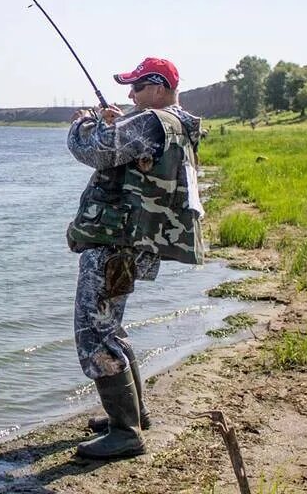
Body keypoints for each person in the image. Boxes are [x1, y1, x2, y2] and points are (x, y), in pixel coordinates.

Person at [65, 57, 205, 460]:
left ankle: (126, 433)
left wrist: (84, 123)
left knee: (94, 334)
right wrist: (113, 122)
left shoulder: (151, 121)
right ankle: (134, 415)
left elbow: (95, 151)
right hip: (135, 241)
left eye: (137, 87)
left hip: (115, 242)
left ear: (159, 87)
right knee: (111, 326)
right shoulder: (177, 124)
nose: (130, 94)